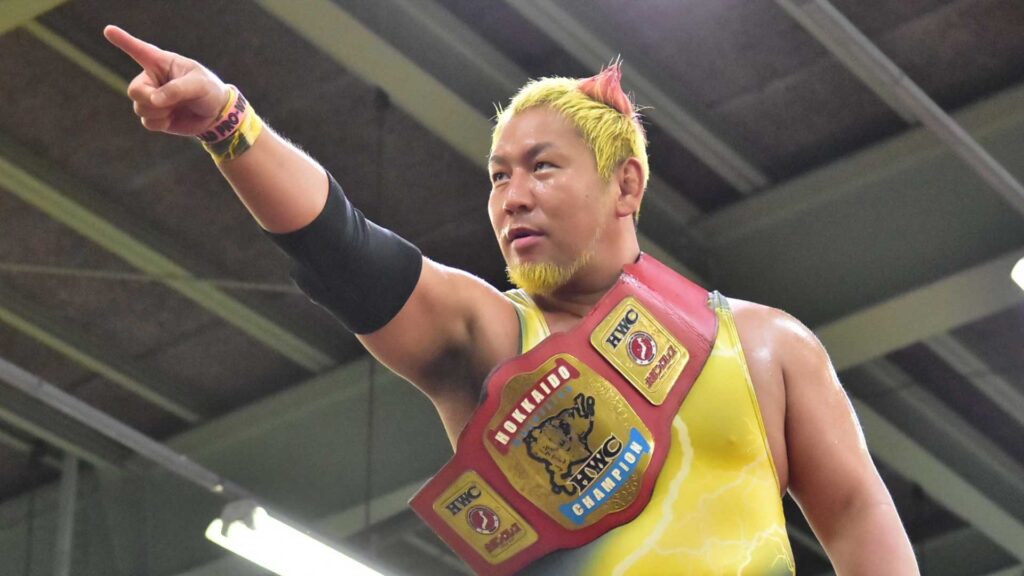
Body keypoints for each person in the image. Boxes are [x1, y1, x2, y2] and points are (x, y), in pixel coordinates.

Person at [104, 24, 919, 575]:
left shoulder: (768, 345)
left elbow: (855, 515)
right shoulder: (487, 336)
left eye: (542, 167)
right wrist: (228, 123)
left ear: (626, 185)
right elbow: (347, 254)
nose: (512, 197)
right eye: (498, 177)